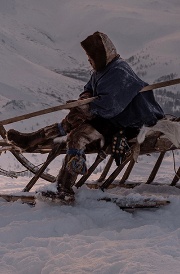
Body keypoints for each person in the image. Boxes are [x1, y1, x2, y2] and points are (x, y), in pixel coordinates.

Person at [53, 32, 164, 196]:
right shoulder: (102, 71)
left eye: (90, 56)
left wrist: (87, 109)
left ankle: (64, 189)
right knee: (72, 123)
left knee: (77, 137)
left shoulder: (119, 72)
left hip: (130, 121)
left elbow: (110, 107)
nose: (88, 60)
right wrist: (84, 99)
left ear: (100, 55)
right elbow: (89, 89)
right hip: (113, 119)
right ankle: (32, 141)